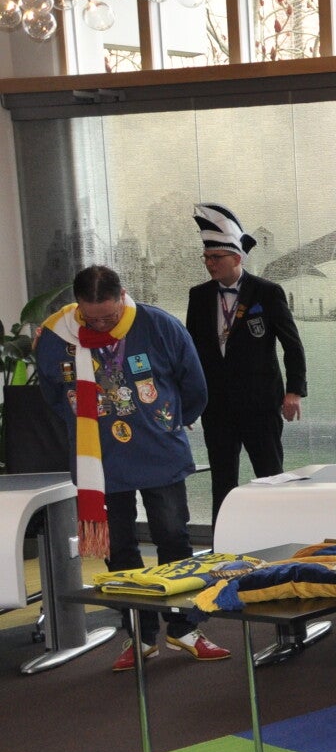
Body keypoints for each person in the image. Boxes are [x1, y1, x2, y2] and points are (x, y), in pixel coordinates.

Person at [35, 265, 230, 670]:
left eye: (109, 316)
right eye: (92, 318)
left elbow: (195, 386)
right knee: (118, 548)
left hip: (159, 452)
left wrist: (169, 421)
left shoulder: (158, 325)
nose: (101, 325)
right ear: (78, 305)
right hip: (100, 460)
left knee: (173, 539)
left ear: (123, 295)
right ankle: (139, 634)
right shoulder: (58, 336)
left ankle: (184, 628)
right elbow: (54, 395)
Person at [183, 203, 307, 522]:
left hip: (260, 405)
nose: (210, 263)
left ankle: (278, 534)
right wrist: (188, 400)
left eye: (216, 257)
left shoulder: (267, 292)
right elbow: (190, 353)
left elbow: (292, 345)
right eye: (206, 257)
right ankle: (222, 543)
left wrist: (294, 391)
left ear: (237, 258)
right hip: (217, 408)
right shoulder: (198, 296)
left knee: (271, 475)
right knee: (222, 481)